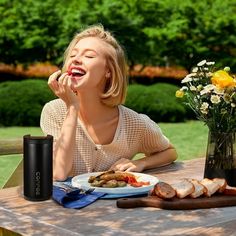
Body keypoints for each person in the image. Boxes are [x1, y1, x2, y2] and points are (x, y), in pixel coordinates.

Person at [40, 24, 177, 181]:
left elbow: (170, 152)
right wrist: (72, 108)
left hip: (115, 205)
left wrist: (141, 163)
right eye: (73, 55)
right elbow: (59, 173)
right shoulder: (54, 111)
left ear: (108, 71)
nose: (76, 59)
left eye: (89, 56)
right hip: (61, 205)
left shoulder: (134, 123)